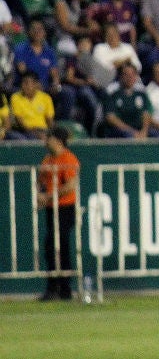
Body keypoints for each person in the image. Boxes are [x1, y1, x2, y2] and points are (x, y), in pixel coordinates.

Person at [37, 126, 80, 301]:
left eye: (49, 137)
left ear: (57, 140)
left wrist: (48, 196)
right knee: (51, 246)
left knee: (60, 245)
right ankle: (54, 286)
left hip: (65, 207)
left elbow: (70, 185)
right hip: (51, 207)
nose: (46, 141)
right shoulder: (47, 160)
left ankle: (64, 287)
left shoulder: (68, 159)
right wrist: (40, 195)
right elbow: (40, 181)